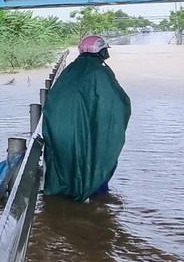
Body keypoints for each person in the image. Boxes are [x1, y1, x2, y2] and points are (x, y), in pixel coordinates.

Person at [42, 34, 131, 201]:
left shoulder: (70, 70)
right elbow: (117, 102)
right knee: (94, 156)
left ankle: (59, 198)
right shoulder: (100, 72)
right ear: (99, 51)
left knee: (63, 161)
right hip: (83, 128)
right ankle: (95, 196)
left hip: (59, 128)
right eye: (105, 49)